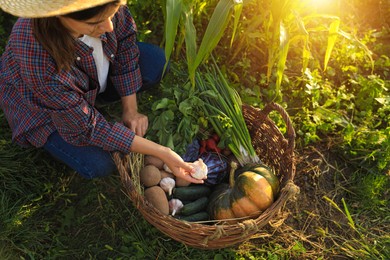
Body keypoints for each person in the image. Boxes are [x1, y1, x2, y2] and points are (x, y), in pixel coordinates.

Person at [0, 0, 203, 183]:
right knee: (100, 164)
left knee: (157, 62)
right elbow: (87, 128)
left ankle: (97, 100)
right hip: (45, 112)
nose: (109, 27)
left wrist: (130, 109)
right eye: (94, 23)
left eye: (112, 14)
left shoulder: (104, 4)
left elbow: (125, 47)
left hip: (92, 78)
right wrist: (163, 152)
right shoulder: (36, 56)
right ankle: (59, 136)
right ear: (60, 16)